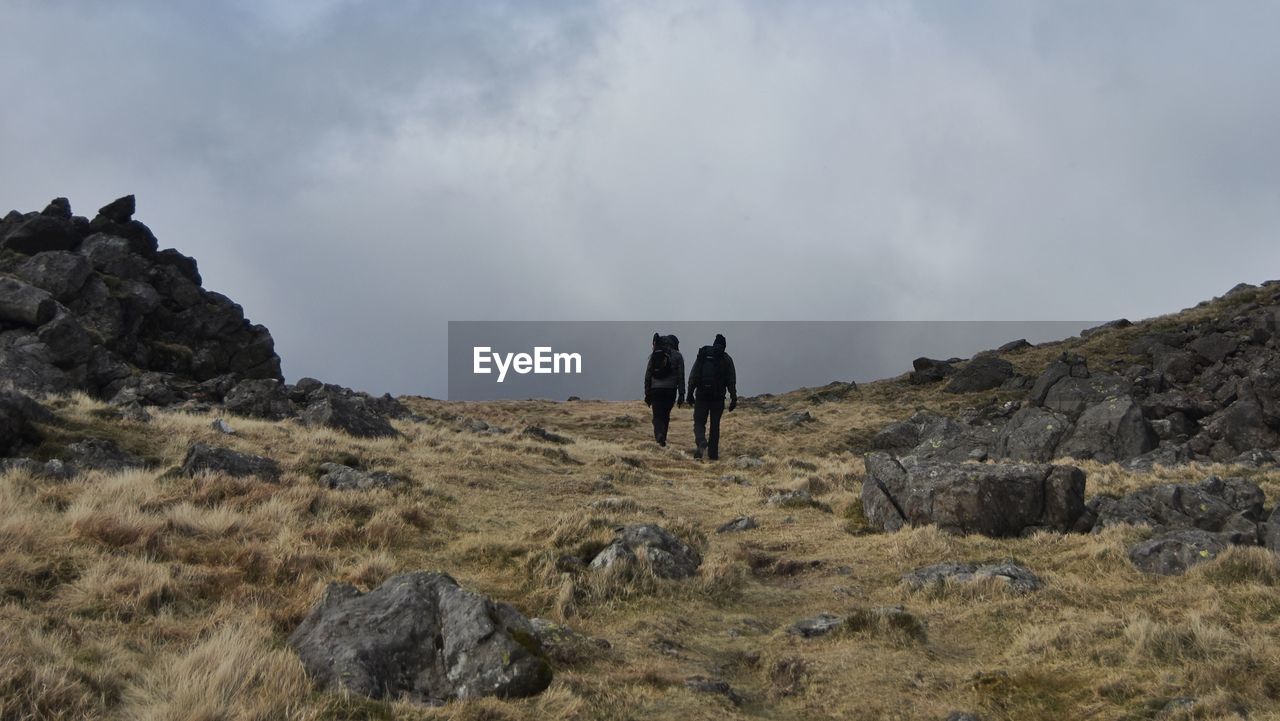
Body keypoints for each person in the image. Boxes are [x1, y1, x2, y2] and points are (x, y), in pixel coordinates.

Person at [686, 333, 736, 460]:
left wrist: (690, 393)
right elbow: (731, 381)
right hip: (718, 399)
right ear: (724, 346)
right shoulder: (727, 359)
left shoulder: (703, 355)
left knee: (699, 422)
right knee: (715, 426)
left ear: (714, 344)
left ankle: (701, 441)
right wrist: (733, 398)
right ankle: (713, 455)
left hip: (702, 396)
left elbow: (694, 375)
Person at [643, 332, 685, 446]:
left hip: (655, 390)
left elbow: (648, 375)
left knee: (657, 416)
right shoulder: (677, 356)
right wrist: (682, 394)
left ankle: (659, 436)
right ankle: (662, 439)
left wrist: (647, 393)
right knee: (665, 415)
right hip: (670, 390)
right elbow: (681, 376)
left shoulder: (655, 354)